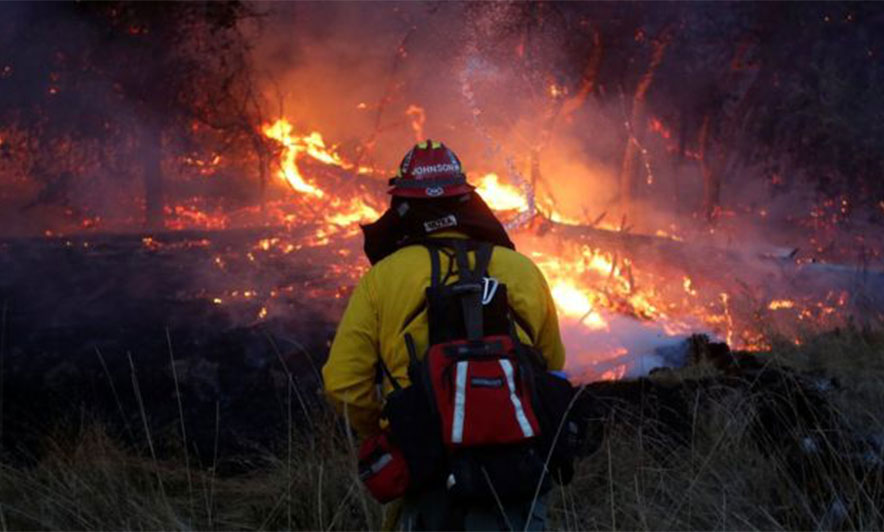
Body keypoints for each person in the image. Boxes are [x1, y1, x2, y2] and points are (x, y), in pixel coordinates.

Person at [322, 140, 567, 530]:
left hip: (427, 467)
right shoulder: (520, 270)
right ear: (466, 201)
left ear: (402, 206)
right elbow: (552, 364)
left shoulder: (384, 279)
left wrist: (391, 429)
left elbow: (343, 384)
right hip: (519, 470)